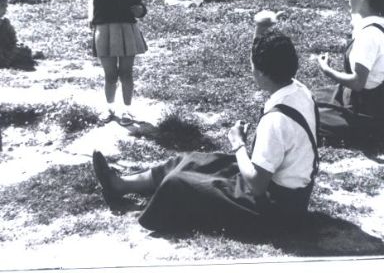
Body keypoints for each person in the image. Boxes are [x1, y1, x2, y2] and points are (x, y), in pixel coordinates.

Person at [92, 15, 319, 234]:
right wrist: (259, 32)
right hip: (286, 192)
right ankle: (121, 184)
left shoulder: (275, 121)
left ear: (261, 73)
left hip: (273, 211)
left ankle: (149, 209)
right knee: (191, 160)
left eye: (254, 68)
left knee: (179, 183)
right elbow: (261, 63)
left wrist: (238, 144)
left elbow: (257, 185)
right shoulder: (299, 90)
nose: (251, 70)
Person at [317, 0, 384, 145]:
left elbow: (357, 83)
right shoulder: (370, 17)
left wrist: (327, 70)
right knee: (311, 98)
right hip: (366, 98)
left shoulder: (368, 36)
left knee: (309, 116)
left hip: (365, 109)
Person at [87, 0, 148, 125]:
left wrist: (141, 10)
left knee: (126, 73)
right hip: (105, 31)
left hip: (127, 29)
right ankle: (110, 107)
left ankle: (127, 111)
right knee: (111, 75)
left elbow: (138, 4)